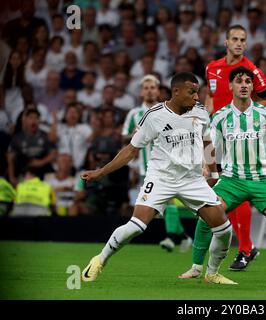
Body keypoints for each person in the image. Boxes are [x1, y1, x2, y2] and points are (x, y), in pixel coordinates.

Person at [81, 72, 236, 285]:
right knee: (136, 226)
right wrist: (100, 171)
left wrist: (214, 173)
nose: (196, 98)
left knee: (224, 229)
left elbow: (207, 141)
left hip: (192, 179)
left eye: (198, 93)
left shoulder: (200, 112)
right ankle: (100, 259)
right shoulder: (154, 116)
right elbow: (130, 150)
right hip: (161, 178)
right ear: (176, 91)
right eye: (192, 93)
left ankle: (212, 273)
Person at [179, 66, 266, 279]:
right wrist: (207, 172)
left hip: (262, 180)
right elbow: (210, 149)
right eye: (239, 81)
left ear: (253, 86)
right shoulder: (220, 117)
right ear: (230, 86)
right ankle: (196, 267)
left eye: (248, 81)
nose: (244, 84)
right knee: (207, 213)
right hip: (231, 180)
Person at [203, 25, 266, 270]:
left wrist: (246, 113)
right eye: (234, 39)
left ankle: (244, 248)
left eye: (243, 40)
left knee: (238, 185)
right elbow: (211, 97)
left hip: (241, 134)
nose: (239, 43)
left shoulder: (251, 71)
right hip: (219, 133)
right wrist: (206, 115)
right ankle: (246, 246)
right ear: (226, 41)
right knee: (222, 187)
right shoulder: (212, 68)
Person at [121, 74, 192, 252]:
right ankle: (182, 236)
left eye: (152, 87)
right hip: (146, 167)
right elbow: (125, 139)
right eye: (146, 88)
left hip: (169, 165)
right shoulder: (134, 114)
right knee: (161, 206)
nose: (149, 91)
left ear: (158, 90)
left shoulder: (168, 110)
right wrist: (135, 134)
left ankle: (170, 237)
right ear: (140, 92)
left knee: (165, 203)